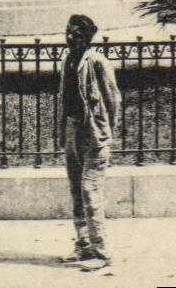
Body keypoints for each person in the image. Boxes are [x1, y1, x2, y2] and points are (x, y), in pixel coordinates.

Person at [57, 14, 120, 273]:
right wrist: (62, 132)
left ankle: (101, 251)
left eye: (77, 34)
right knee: (76, 190)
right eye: (68, 32)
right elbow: (64, 97)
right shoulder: (67, 60)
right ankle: (82, 245)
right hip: (73, 130)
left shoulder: (97, 62)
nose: (71, 38)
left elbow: (113, 98)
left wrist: (106, 131)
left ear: (87, 38)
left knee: (89, 191)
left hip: (94, 134)